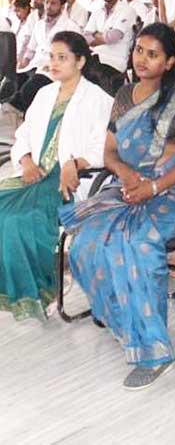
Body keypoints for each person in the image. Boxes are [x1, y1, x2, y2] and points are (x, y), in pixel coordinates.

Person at [61, 23, 175, 390]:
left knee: (137, 241)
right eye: (138, 51)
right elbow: (109, 151)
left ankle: (153, 350)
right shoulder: (124, 95)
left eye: (153, 54)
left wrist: (153, 185)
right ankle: (125, 321)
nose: (142, 60)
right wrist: (126, 174)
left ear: (169, 61)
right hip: (133, 182)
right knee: (86, 238)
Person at [1, 32, 112, 322]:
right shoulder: (44, 93)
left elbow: (103, 147)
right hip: (34, 174)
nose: (54, 63)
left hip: (69, 182)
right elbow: (23, 134)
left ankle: (42, 290)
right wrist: (25, 161)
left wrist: (73, 163)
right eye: (51, 56)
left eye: (62, 57)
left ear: (80, 61)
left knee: (21, 220)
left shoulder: (98, 100)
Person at [12, 0, 82, 114]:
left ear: (62, 6)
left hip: (54, 68)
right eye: (47, 2)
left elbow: (75, 56)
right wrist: (24, 61)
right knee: (14, 80)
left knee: (30, 89)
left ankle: (21, 110)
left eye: (53, 3)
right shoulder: (39, 24)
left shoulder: (70, 27)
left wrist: (53, 65)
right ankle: (20, 109)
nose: (48, 6)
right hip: (35, 64)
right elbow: (31, 49)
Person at [83, 0, 137, 73]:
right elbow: (86, 37)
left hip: (114, 60)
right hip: (95, 56)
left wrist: (95, 34)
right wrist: (104, 37)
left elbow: (113, 37)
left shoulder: (127, 11)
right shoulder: (97, 11)